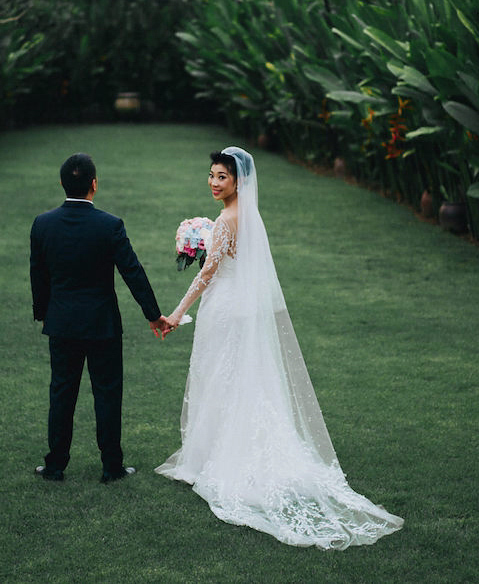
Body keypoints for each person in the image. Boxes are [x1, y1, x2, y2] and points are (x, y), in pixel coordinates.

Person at [155, 147, 404, 548]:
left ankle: (218, 457)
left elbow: (206, 275)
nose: (214, 182)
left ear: (238, 182)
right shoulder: (249, 217)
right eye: (212, 175)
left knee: (221, 378)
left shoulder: (224, 221)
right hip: (245, 309)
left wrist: (176, 312)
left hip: (224, 310)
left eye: (222, 177)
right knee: (244, 379)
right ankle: (230, 448)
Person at [30, 152, 164, 483]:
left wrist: (42, 312)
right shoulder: (109, 225)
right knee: (107, 393)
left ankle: (55, 465)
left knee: (61, 393)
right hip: (102, 325)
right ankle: (111, 466)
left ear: (62, 183)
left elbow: (38, 275)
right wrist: (153, 315)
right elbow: (133, 272)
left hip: (61, 323)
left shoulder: (43, 224)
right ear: (94, 184)